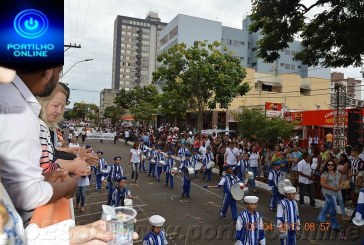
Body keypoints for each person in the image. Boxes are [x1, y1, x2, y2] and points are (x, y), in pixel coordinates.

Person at [0, 66, 77, 222]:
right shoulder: (17, 109)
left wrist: (45, 177)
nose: (57, 77)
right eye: (59, 71)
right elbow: (27, 195)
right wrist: (69, 187)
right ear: (48, 71)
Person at [317, 160, 346, 240]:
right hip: (328, 193)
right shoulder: (325, 173)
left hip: (335, 193)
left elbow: (341, 182)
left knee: (326, 208)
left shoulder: (337, 173)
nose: (330, 166)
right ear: (326, 165)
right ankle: (335, 226)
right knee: (333, 209)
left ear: (334, 165)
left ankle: (321, 220)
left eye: (332, 165)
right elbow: (322, 184)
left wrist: (340, 186)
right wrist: (334, 188)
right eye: (328, 165)